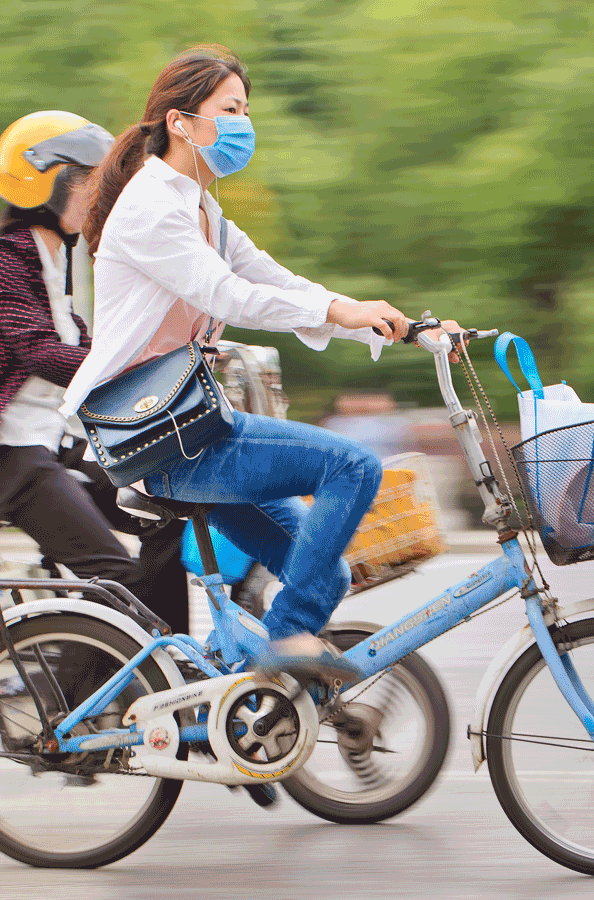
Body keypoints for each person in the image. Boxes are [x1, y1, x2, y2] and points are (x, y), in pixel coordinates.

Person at [60, 45, 466, 682]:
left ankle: (252, 693)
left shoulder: (206, 213)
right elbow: (230, 296)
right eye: (230, 109)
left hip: (195, 426)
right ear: (180, 121)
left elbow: (282, 282)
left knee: (325, 569)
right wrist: (343, 313)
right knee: (352, 466)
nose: (243, 123)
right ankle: (285, 636)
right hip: (159, 437)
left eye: (246, 109)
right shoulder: (150, 208)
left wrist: (400, 326)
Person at [0, 110, 189, 633]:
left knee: (166, 515)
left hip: (50, 445)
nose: (102, 194)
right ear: (46, 181)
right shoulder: (6, 262)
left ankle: (170, 668)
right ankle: (74, 706)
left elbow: (89, 343)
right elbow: (40, 351)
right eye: (90, 180)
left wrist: (170, 361)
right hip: (12, 458)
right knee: (110, 574)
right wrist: (132, 362)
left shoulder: (51, 262)